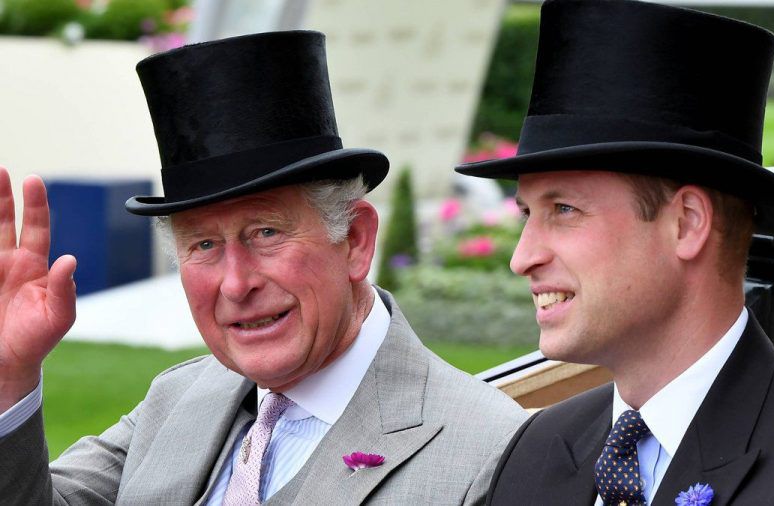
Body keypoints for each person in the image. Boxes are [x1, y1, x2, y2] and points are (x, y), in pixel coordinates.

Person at [0, 31, 526, 504]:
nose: (236, 283)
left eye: (266, 233)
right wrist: (10, 376)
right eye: (204, 244)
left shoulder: (488, 451)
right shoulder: (178, 397)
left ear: (356, 241)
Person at [456, 1, 774, 504]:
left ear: (686, 223)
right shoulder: (538, 448)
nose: (523, 257)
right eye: (526, 214)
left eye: (563, 209)